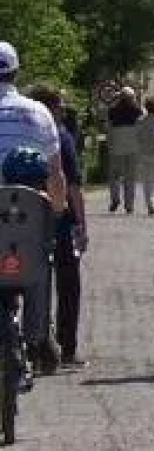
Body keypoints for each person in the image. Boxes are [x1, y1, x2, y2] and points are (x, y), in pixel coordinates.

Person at [0, 42, 72, 381]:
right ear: (16, 72)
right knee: (40, 265)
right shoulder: (38, 112)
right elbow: (56, 174)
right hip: (31, 206)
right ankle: (38, 336)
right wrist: (58, 211)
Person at [24, 87, 85, 368]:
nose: (63, 110)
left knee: (33, 282)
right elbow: (71, 184)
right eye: (60, 106)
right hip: (59, 220)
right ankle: (66, 347)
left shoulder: (25, 135)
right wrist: (81, 223)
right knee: (68, 284)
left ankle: (35, 345)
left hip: (25, 218)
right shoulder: (60, 137)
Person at [104, 88, 141, 213]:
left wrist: (109, 144)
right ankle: (129, 205)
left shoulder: (112, 110)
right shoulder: (137, 110)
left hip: (117, 146)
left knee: (114, 176)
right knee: (130, 177)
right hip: (132, 147)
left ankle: (115, 198)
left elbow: (108, 129)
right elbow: (140, 130)